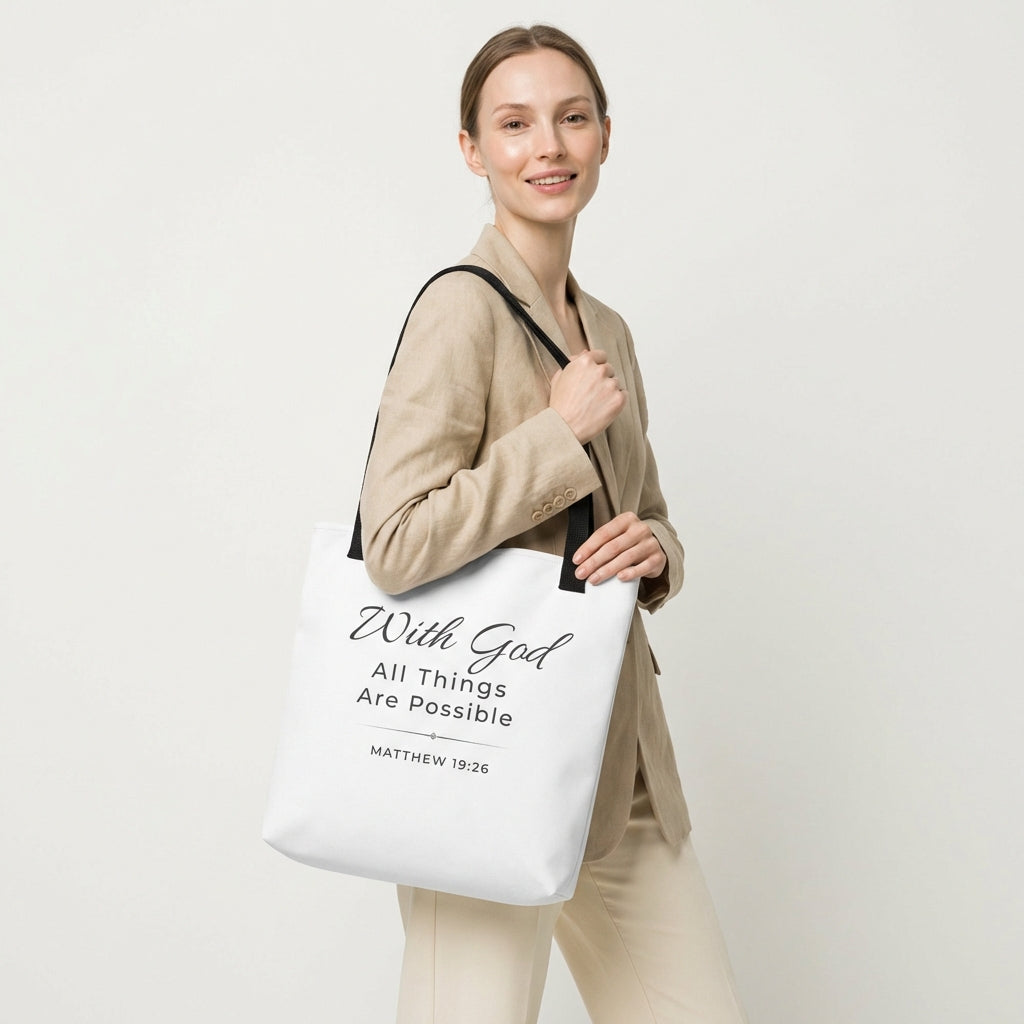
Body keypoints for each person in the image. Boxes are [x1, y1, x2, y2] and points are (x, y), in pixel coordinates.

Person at [359, 24, 749, 1024]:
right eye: (515, 123)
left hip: (617, 769)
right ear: (471, 149)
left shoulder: (605, 328)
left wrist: (656, 551)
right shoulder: (460, 310)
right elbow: (395, 540)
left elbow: (646, 514)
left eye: (571, 119)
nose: (548, 147)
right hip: (485, 759)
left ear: (604, 138)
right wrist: (555, 435)